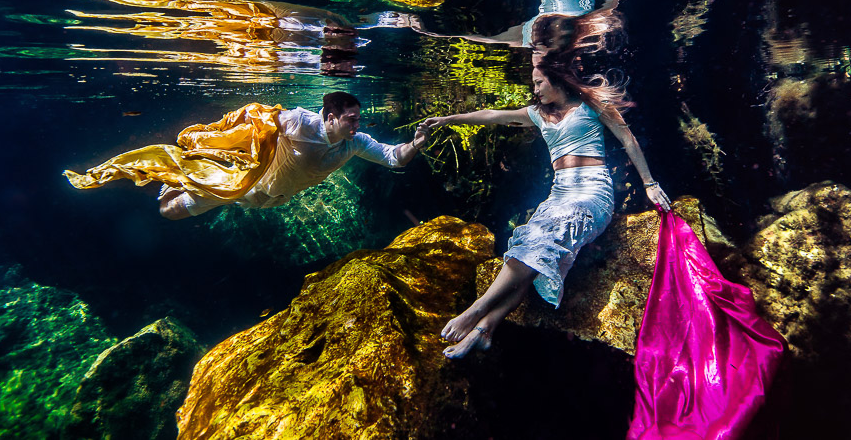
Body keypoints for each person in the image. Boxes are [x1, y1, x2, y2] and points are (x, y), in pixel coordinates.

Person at [421, 61, 670, 358]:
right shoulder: (538, 115)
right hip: (559, 195)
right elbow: (492, 116)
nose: (535, 89)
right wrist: (449, 119)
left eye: (539, 83)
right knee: (533, 245)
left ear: (558, 80)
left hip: (593, 194)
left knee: (546, 239)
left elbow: (628, 140)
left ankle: (477, 309)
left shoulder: (593, 103)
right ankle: (484, 329)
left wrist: (649, 183)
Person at [157, 91, 428, 219]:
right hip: (245, 183)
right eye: (352, 120)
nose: (357, 126)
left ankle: (184, 177)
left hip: (270, 198)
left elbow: (394, 157)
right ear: (331, 118)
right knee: (169, 210)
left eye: (358, 120)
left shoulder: (354, 142)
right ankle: (177, 175)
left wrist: (415, 144)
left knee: (174, 208)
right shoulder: (300, 122)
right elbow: (257, 123)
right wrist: (215, 145)